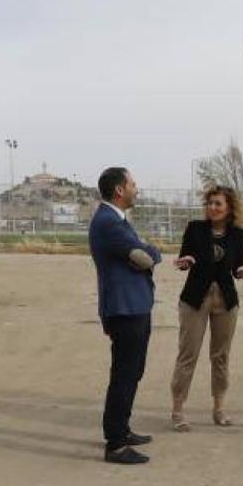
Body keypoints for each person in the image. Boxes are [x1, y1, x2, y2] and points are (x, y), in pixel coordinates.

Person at [89, 166, 162, 465]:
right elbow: (145, 257)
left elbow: (143, 255)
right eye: (132, 183)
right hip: (124, 308)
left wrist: (146, 254)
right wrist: (149, 254)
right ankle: (116, 444)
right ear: (120, 190)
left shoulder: (117, 220)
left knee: (133, 372)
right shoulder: (108, 222)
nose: (136, 187)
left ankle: (122, 428)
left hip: (134, 306)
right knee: (124, 374)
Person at [170, 185, 243, 431]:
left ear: (229, 208)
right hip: (195, 298)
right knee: (188, 355)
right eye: (210, 203)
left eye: (218, 203)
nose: (213, 208)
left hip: (225, 300)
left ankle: (219, 409)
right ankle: (177, 410)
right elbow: (186, 256)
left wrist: (242, 271)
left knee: (221, 356)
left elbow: (236, 265)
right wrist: (187, 261)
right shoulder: (195, 229)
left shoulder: (238, 234)